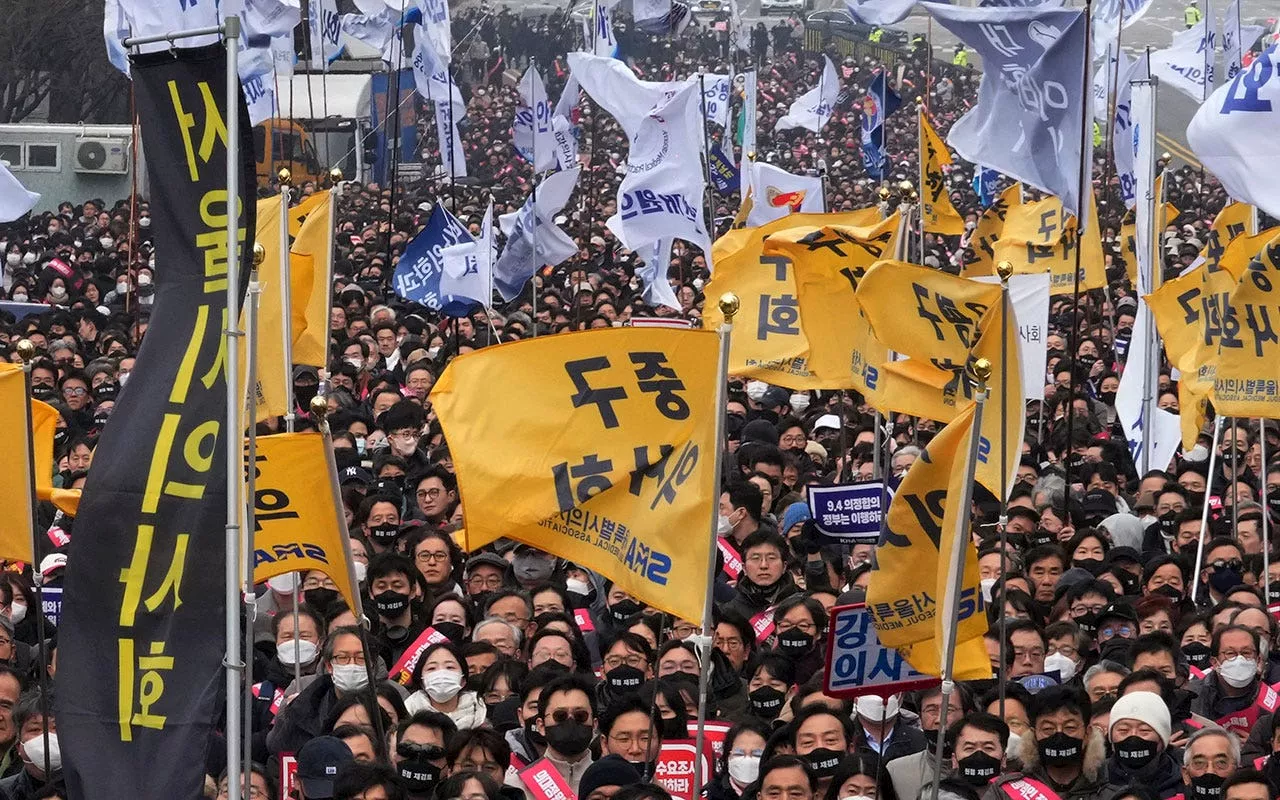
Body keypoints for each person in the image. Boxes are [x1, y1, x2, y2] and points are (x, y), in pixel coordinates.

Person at [983, 685, 1113, 800]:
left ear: (1087, 733)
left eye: (1070, 727)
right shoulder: (1004, 792)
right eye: (1048, 729)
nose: (1059, 735)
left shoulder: (1112, 795)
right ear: (1034, 735)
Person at [1104, 691, 1182, 796]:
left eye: (1144, 730)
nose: (1133, 736)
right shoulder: (1093, 779)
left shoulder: (1186, 779)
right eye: (1123, 730)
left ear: (1162, 738)